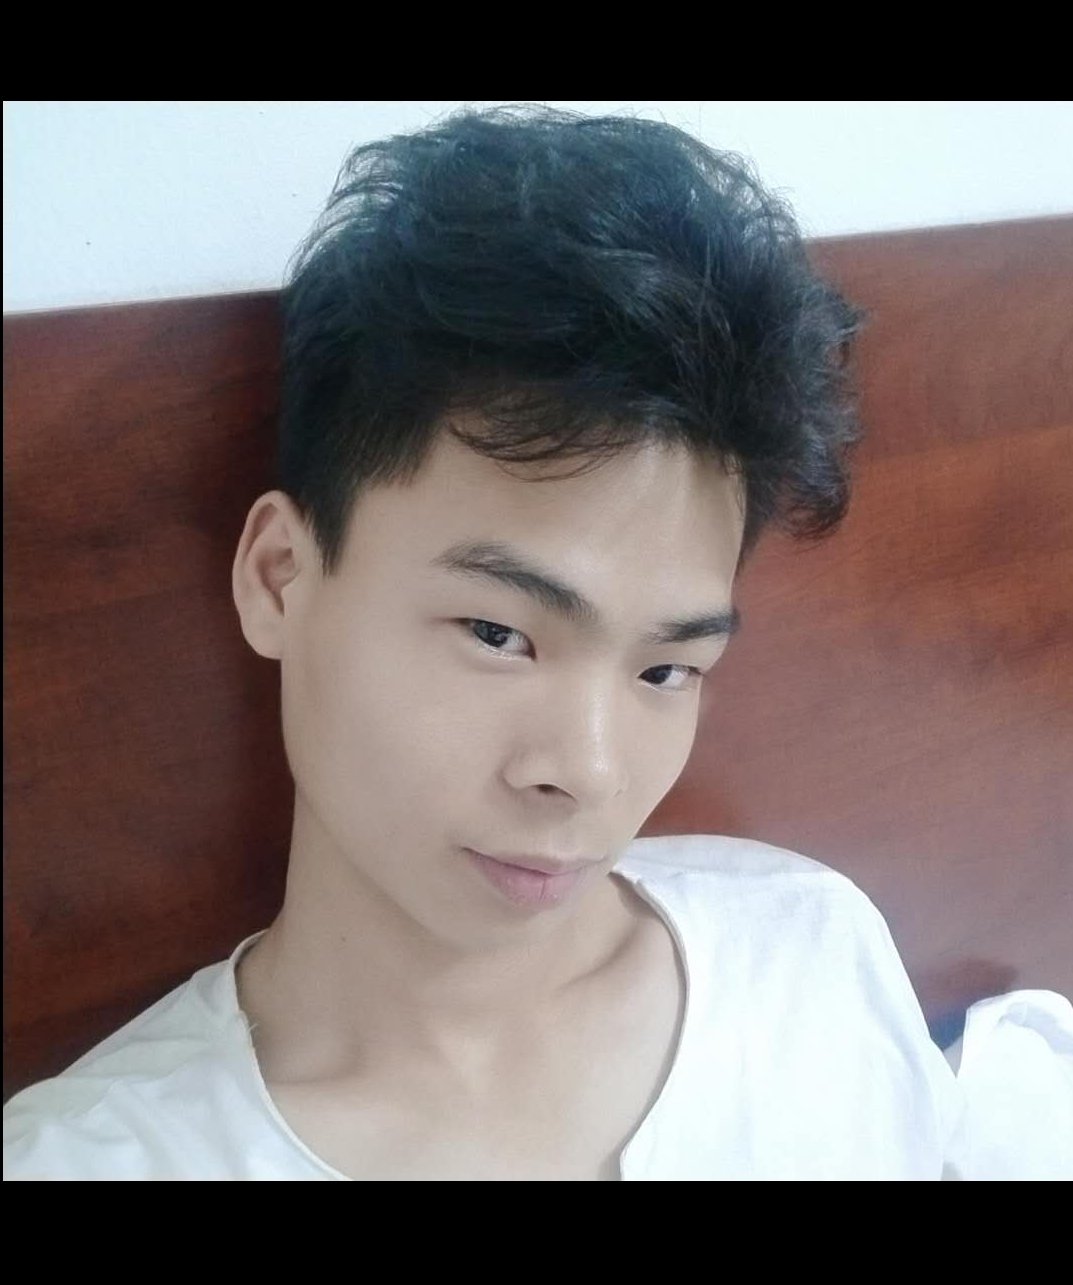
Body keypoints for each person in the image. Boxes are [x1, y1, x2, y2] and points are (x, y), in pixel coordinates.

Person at [5, 104, 1070, 1181]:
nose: (588, 774)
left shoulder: (804, 952)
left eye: (665, 669)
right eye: (497, 632)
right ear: (281, 575)